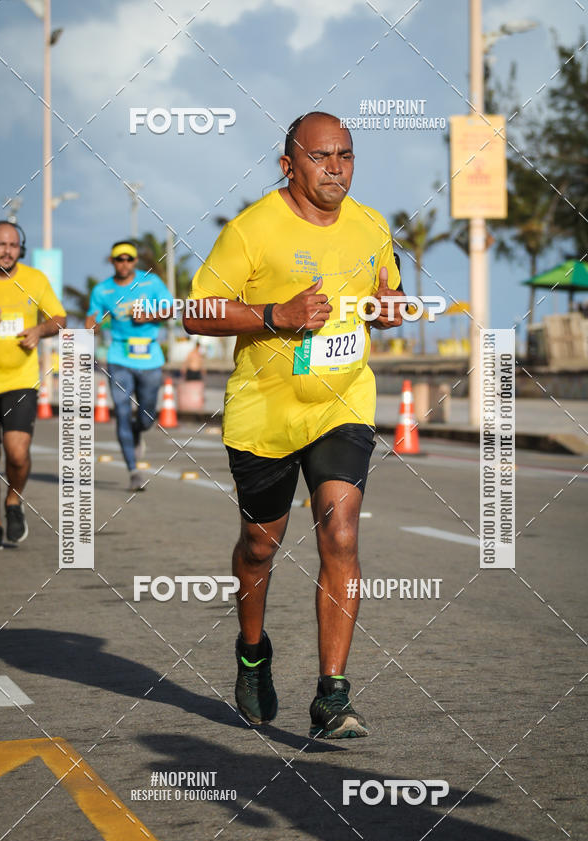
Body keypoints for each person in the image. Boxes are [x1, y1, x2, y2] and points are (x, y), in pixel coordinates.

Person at [185, 111, 405, 738]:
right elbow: (196, 312)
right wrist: (274, 314)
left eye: (346, 155)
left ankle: (332, 694)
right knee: (261, 546)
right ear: (288, 165)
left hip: (342, 403)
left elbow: (385, 295)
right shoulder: (252, 229)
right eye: (320, 156)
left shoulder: (371, 225)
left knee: (341, 532)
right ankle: (253, 652)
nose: (336, 168)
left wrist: (390, 310)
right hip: (265, 413)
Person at [0, 221, 66, 549]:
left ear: (21, 248)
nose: (7, 251)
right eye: (0, 244)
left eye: (13, 245)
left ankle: (13, 500)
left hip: (21, 380)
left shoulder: (35, 279)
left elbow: (59, 318)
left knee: (17, 454)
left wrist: (39, 330)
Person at [85, 241, 173, 491]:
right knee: (122, 412)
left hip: (150, 356)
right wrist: (92, 325)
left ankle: (138, 430)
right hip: (119, 357)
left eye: (128, 259)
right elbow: (93, 318)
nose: (124, 263)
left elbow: (170, 309)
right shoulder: (102, 290)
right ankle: (134, 471)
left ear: (135, 261)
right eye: (119, 259)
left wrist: (149, 315)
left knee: (147, 418)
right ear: (112, 262)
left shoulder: (151, 282)